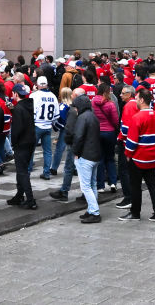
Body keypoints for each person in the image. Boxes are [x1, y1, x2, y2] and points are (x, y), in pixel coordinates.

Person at [119, 88, 155, 222]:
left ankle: (135, 213)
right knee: (152, 185)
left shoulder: (137, 118)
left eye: (137, 98)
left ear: (142, 100)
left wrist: (128, 154)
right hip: (152, 157)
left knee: (135, 186)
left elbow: (132, 141)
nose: (136, 101)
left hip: (138, 158)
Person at [71, 91, 102, 223]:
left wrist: (76, 152)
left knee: (85, 186)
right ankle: (91, 210)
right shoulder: (93, 116)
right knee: (92, 184)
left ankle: (94, 212)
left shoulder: (82, 118)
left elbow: (78, 137)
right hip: (95, 155)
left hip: (85, 156)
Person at [7, 84, 37, 210]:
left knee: (22, 172)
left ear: (15, 94)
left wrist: (13, 143)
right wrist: (14, 109)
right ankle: (19, 195)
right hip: (30, 141)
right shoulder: (28, 105)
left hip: (22, 143)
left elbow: (17, 129)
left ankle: (30, 199)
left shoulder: (19, 108)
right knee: (22, 170)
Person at [31, 76, 58, 180]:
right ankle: (46, 172)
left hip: (37, 125)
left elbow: (31, 113)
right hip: (48, 126)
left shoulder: (34, 95)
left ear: (37, 84)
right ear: (46, 84)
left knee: (31, 150)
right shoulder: (53, 96)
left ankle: (28, 171)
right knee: (47, 151)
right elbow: (56, 115)